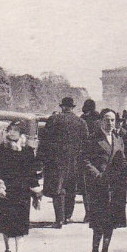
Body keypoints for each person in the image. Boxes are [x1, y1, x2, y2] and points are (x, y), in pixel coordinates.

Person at [0, 120, 42, 252]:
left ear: (21, 133)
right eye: (10, 129)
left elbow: (33, 172)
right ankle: (8, 249)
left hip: (22, 192)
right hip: (5, 191)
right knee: (5, 222)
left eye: (15, 130)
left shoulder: (28, 151)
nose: (12, 132)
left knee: (21, 223)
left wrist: (36, 191)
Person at [83, 108, 127, 252]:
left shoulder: (118, 138)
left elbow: (122, 159)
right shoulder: (93, 139)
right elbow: (85, 161)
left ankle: (105, 251)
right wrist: (96, 175)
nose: (110, 123)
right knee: (98, 220)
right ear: (100, 121)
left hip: (115, 186)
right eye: (107, 120)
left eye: (112, 120)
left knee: (111, 220)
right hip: (99, 185)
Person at [40, 97, 90, 227]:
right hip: (75, 162)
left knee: (58, 190)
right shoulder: (81, 122)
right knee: (71, 189)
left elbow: (44, 141)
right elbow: (86, 144)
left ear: (62, 107)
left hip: (55, 161)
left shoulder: (53, 120)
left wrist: (42, 160)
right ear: (73, 107)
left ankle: (59, 219)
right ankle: (67, 217)